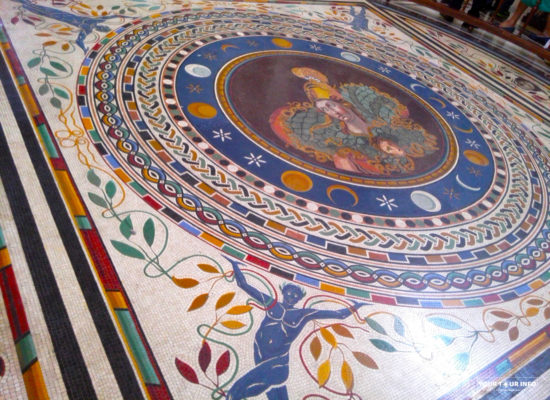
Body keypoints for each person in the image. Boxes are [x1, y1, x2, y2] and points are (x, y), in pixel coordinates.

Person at [225, 258, 365, 400]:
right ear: (283, 293)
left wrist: (357, 306)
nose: (291, 297)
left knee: (235, 392)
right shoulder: (272, 304)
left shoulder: (302, 314)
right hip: (260, 356)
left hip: (278, 363)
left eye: (296, 296)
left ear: (299, 299)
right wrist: (235, 265)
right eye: (289, 293)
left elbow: (339, 314)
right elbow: (244, 285)